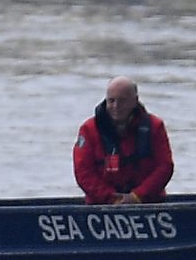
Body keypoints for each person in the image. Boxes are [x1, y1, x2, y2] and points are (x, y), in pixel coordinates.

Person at [73, 76, 171, 204]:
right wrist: (112, 199)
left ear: (135, 100)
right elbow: (83, 172)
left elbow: (165, 167)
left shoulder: (155, 126)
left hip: (149, 203)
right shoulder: (88, 130)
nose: (116, 106)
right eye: (111, 101)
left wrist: (137, 196)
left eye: (122, 101)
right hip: (100, 205)